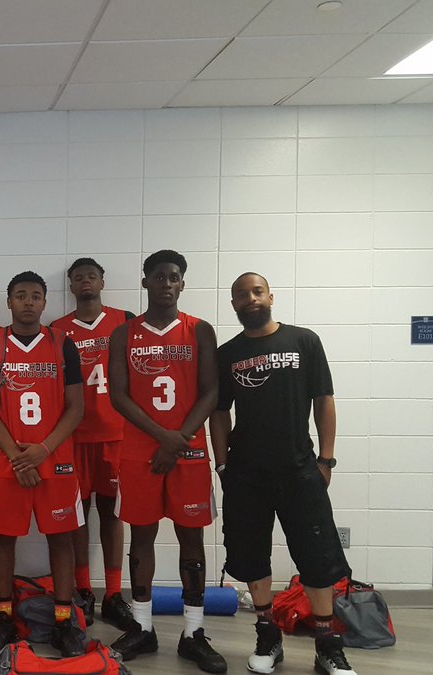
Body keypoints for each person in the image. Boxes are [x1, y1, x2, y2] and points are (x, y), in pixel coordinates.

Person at [211, 272, 356, 675]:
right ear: (234, 304)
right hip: (246, 473)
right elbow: (219, 413)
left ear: (270, 296)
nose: (251, 298)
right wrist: (222, 464)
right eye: (242, 295)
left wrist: (326, 460)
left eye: (257, 291)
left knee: (318, 557)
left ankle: (328, 646)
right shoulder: (227, 354)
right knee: (251, 556)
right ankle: (267, 638)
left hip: (299, 469)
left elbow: (324, 400)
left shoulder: (304, 341)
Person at [107, 250, 225, 673]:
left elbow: (211, 393)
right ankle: (142, 626)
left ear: (182, 284)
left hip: (187, 450)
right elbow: (118, 396)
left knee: (192, 537)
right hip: (141, 452)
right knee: (141, 536)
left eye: (174, 277)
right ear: (145, 282)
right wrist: (163, 438)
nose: (167, 283)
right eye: (159, 276)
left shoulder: (200, 330)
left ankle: (193, 632)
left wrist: (177, 441)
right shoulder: (124, 334)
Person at [0, 271, 88, 659]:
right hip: (8, 459)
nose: (28, 301)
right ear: (8, 302)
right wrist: (17, 456)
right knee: (3, 537)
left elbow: (76, 407)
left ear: (44, 302)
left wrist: (42, 450)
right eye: (20, 295)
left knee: (61, 536)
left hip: (54, 459)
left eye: (35, 296)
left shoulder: (62, 343)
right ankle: (4, 616)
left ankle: (62, 620)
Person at [50, 258, 139, 633]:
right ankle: (83, 589)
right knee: (77, 516)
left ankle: (114, 594)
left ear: (102, 281)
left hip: (116, 435)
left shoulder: (125, 321)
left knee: (113, 514)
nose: (85, 281)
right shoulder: (57, 330)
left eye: (91, 276)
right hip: (74, 437)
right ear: (70, 286)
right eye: (78, 277)